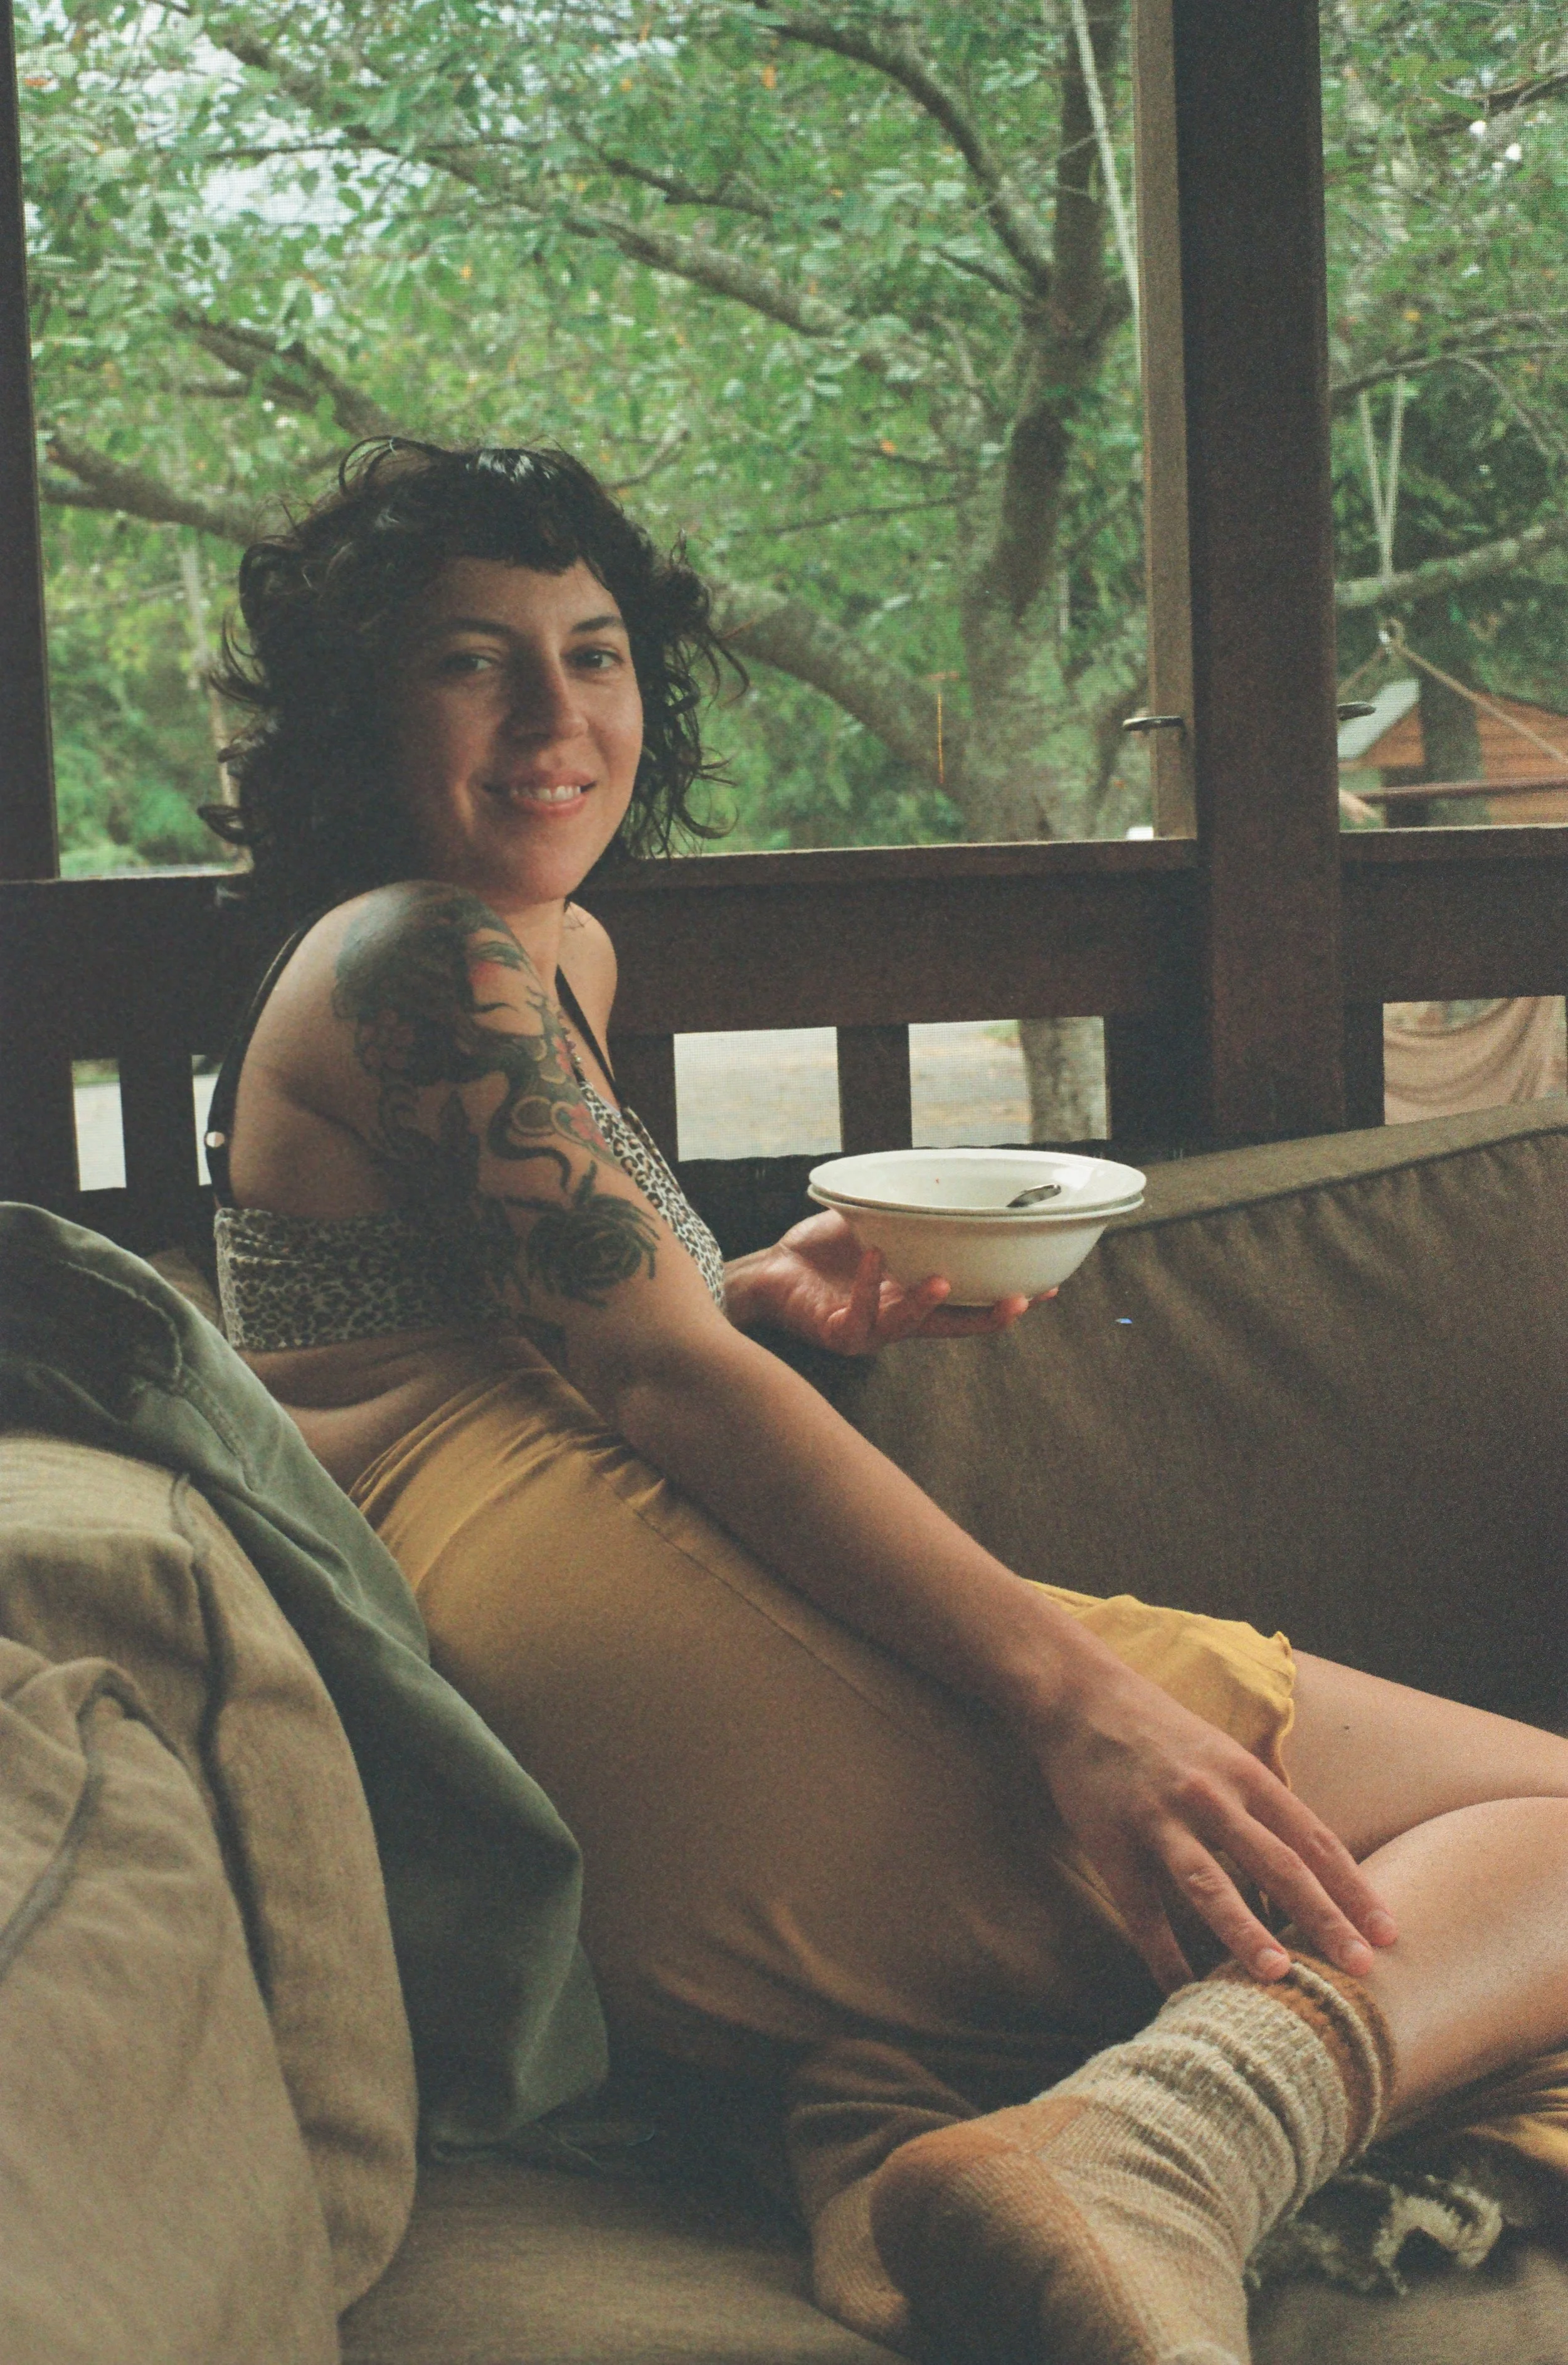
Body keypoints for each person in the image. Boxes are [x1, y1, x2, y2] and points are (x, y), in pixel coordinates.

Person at [205, 439, 1568, 2364]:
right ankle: (1147, 2153)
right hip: (581, 1657)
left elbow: (530, 1326)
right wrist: (1072, 1701)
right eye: (471, 662)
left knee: (1436, 1931)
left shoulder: (521, 950)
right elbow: (650, 1382)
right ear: (362, 708)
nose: (555, 716)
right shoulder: (420, 952)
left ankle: (889, 2137)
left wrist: (755, 1299)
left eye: (593, 657)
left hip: (537, 1671)